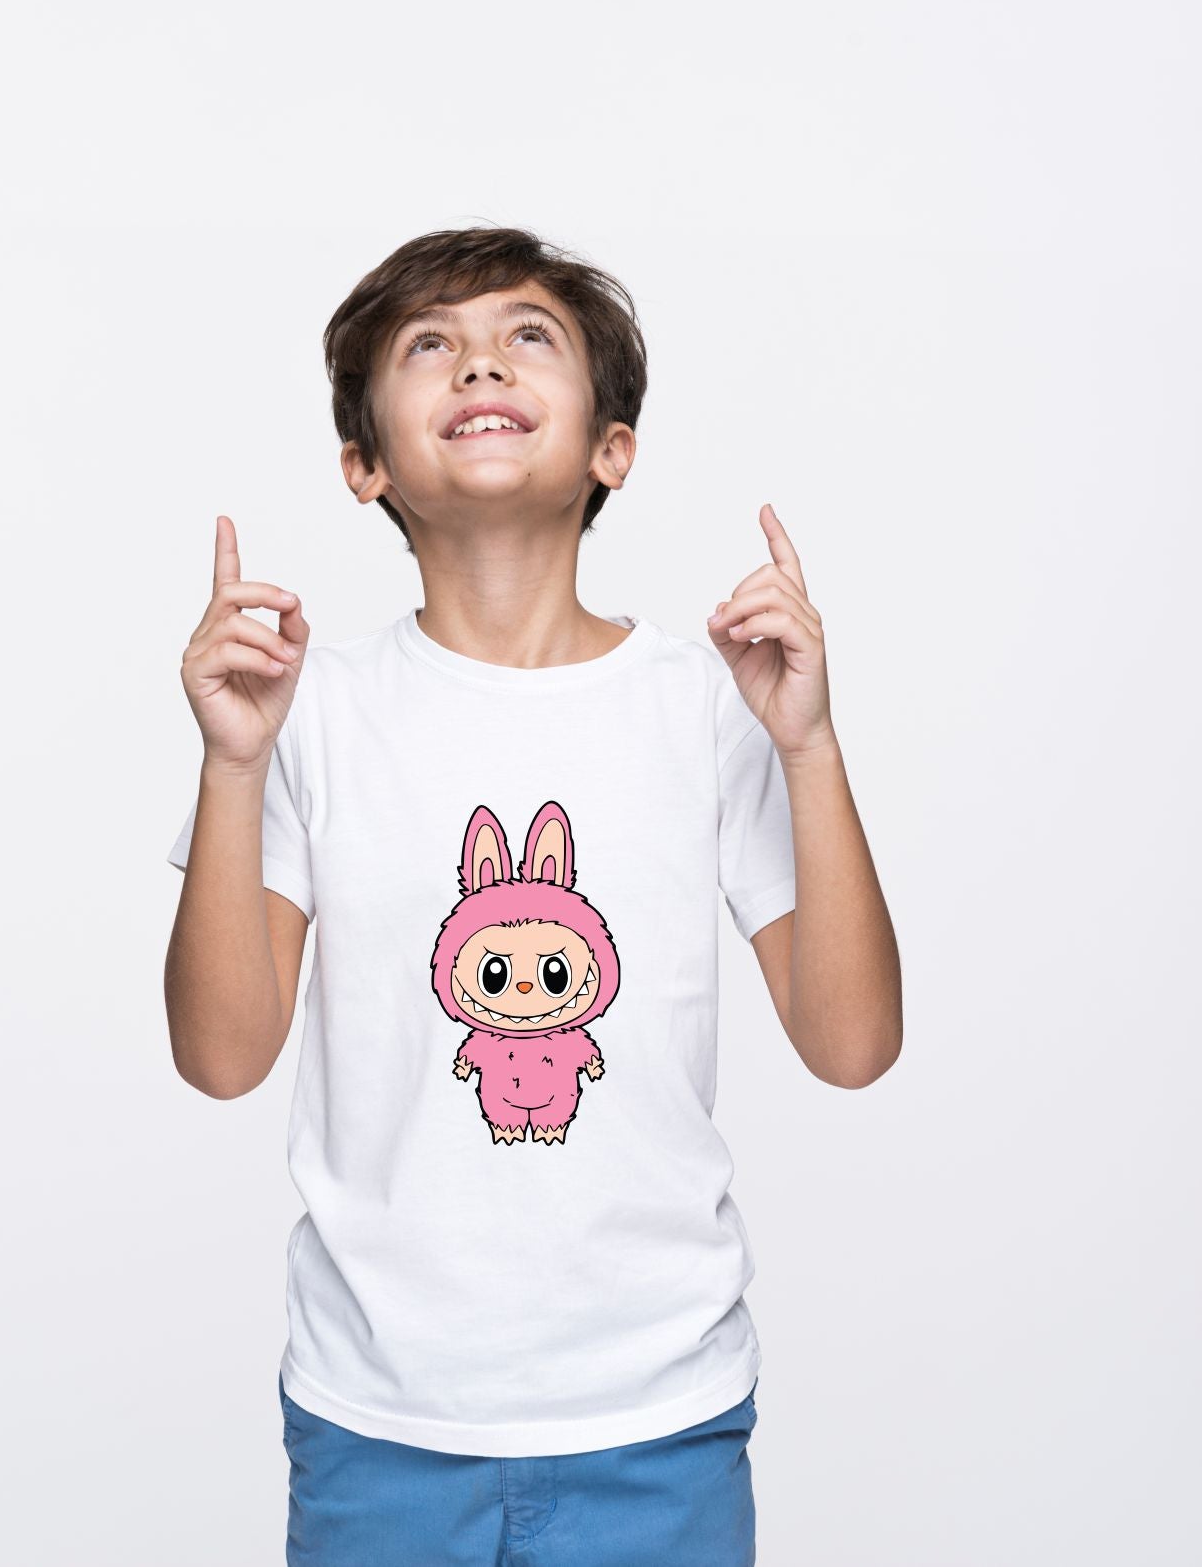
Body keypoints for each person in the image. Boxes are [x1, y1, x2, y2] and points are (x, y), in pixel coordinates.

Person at [162, 224, 902, 1567]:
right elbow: (222, 1059)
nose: (481, 363)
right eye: (429, 345)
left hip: (660, 1417)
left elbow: (852, 1046)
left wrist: (808, 747)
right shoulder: (306, 711)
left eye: (528, 337)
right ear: (364, 464)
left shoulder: (708, 705)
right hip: (377, 1423)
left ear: (613, 448)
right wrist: (230, 765)